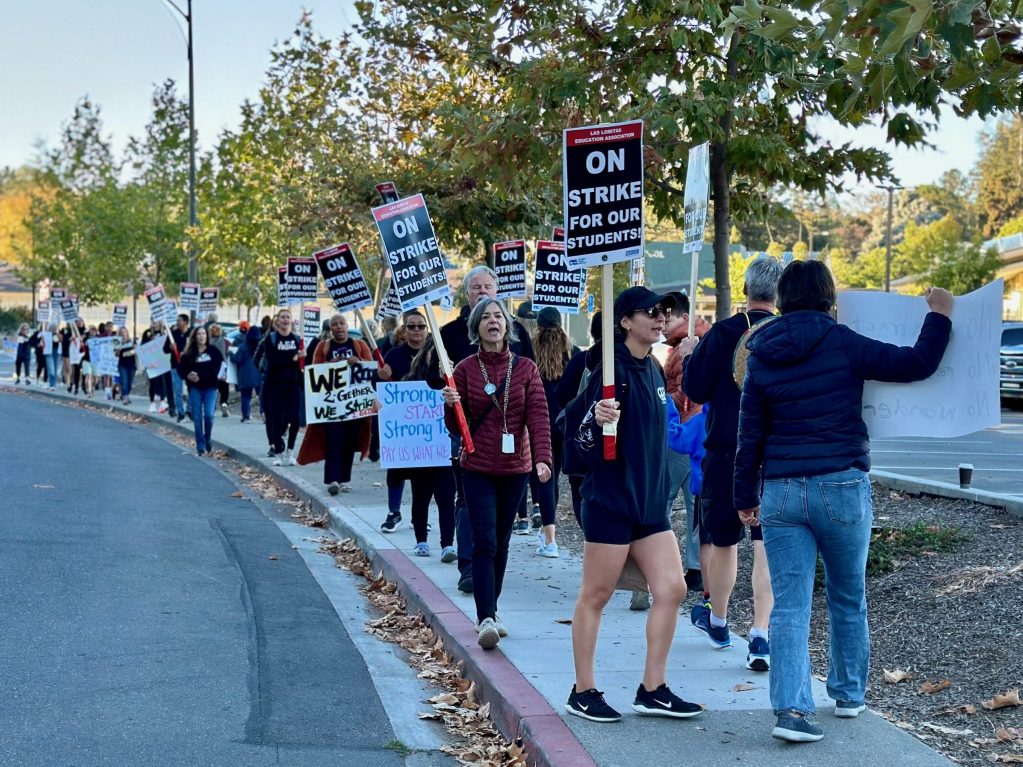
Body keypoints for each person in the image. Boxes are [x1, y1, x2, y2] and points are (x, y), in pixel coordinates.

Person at [733, 262, 953, 743]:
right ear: (828, 299)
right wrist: (938, 313)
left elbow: (749, 436)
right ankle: (849, 694)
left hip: (783, 490)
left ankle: (790, 710)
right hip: (841, 486)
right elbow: (916, 363)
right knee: (847, 595)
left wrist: (743, 497)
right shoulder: (844, 342)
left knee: (788, 606)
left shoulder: (762, 353)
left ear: (784, 299)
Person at [565, 286, 702, 723]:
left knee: (673, 588)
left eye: (664, 311)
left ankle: (652, 688)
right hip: (610, 501)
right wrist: (595, 418)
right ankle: (582, 690)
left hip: (649, 503)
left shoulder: (654, 370)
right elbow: (576, 445)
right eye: (651, 311)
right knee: (597, 594)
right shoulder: (609, 371)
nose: (661, 317)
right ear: (625, 320)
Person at [681, 255, 782, 671]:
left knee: (723, 540)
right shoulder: (784, 332)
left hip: (727, 446)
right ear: (778, 294)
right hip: (774, 452)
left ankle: (719, 621)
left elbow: (695, 389)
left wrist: (691, 355)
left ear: (745, 290)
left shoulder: (722, 333)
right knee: (764, 544)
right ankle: (760, 633)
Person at [441, 297, 551, 649]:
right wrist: (450, 405)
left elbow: (538, 416)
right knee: (485, 540)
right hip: (476, 466)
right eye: (485, 317)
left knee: (502, 541)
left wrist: (543, 459)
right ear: (477, 328)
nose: (493, 322)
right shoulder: (465, 370)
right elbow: (455, 427)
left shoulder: (526, 369)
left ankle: (493, 609)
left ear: (508, 325)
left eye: (498, 317)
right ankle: (485, 616)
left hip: (515, 468)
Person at [437, 265, 535, 594]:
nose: (483, 292)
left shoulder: (517, 335)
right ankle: (469, 565)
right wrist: (442, 377)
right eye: (476, 287)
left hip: (511, 445)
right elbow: (431, 377)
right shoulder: (449, 334)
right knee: (467, 501)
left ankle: (488, 574)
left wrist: (540, 451)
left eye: (488, 286)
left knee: (498, 532)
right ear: (467, 295)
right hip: (470, 437)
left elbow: (535, 393)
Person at [297, 313, 391, 489]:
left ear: (347, 326)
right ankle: (332, 480)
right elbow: (315, 372)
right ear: (330, 329)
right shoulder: (323, 347)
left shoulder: (359, 344)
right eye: (335, 324)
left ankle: (344, 480)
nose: (339, 327)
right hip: (332, 405)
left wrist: (359, 361)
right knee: (333, 442)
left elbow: (371, 369)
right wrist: (332, 364)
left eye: (341, 323)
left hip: (353, 405)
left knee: (349, 443)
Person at [661, 291, 710, 595]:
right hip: (701, 432)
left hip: (683, 430)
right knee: (695, 504)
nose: (661, 324)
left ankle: (661, 562)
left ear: (682, 317)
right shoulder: (699, 340)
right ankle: (696, 568)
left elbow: (685, 392)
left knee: (662, 500)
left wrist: (661, 403)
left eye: (666, 318)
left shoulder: (685, 347)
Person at [400, 337, 457, 560]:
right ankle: (421, 541)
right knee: (420, 498)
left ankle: (447, 545)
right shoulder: (409, 382)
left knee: (446, 499)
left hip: (444, 451)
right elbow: (396, 408)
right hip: (420, 454)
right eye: (434, 354)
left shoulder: (452, 383)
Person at [530, 306, 573, 558]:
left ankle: (550, 539)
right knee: (558, 478)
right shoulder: (572, 352)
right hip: (564, 424)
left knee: (545, 479)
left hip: (539, 424)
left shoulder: (530, 353)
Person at [380, 311, 429, 532]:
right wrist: (380, 376)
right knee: (396, 469)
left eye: (421, 326)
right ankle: (394, 511)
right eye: (411, 326)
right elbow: (380, 389)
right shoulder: (393, 355)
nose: (416, 330)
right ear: (404, 330)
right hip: (400, 425)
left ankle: (419, 515)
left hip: (427, 424)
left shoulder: (435, 354)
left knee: (423, 472)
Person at [556, 311, 603, 527]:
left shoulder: (581, 360)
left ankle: (590, 540)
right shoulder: (640, 363)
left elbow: (562, 395)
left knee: (581, 495)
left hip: (580, 442)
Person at [260, 310, 305, 466]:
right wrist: (293, 357)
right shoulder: (271, 339)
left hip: (293, 385)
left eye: (288, 317)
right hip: (275, 385)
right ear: (277, 322)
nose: (286, 319)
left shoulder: (297, 339)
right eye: (282, 317)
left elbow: (302, 365)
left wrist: (302, 357)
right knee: (277, 419)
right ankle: (278, 453)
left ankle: (291, 451)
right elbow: (273, 361)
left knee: (295, 418)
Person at [177, 326, 225, 456]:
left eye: (204, 333)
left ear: (207, 336)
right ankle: (200, 445)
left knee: (209, 416)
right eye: (199, 334)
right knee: (197, 418)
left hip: (211, 388)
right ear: (195, 337)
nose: (202, 336)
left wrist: (222, 375)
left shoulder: (213, 351)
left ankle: (207, 438)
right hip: (195, 389)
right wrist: (188, 375)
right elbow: (181, 369)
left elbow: (222, 365)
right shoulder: (189, 353)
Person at [230, 323, 261, 423]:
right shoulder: (260, 346)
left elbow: (236, 359)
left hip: (245, 374)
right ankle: (264, 414)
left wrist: (230, 353)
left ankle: (246, 416)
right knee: (261, 396)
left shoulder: (243, 346)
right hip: (258, 374)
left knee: (246, 396)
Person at [164, 314, 191, 421]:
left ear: (185, 322)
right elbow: (164, 349)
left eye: (179, 320)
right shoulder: (172, 334)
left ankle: (190, 410)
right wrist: (170, 347)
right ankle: (180, 412)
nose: (177, 322)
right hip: (176, 366)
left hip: (189, 366)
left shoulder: (192, 334)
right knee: (177, 390)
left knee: (192, 389)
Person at [207, 323, 231, 417]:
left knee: (212, 389)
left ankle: (211, 408)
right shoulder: (225, 342)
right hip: (223, 368)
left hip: (210, 369)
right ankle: (224, 403)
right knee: (224, 388)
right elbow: (230, 353)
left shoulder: (207, 342)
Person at [116, 326, 137, 404]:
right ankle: (125, 397)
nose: (123, 334)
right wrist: (119, 348)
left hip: (132, 364)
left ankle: (126, 395)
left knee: (130, 382)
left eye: (125, 332)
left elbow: (137, 350)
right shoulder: (117, 341)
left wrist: (135, 348)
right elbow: (116, 354)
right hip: (122, 364)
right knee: (124, 381)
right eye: (121, 332)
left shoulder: (132, 341)